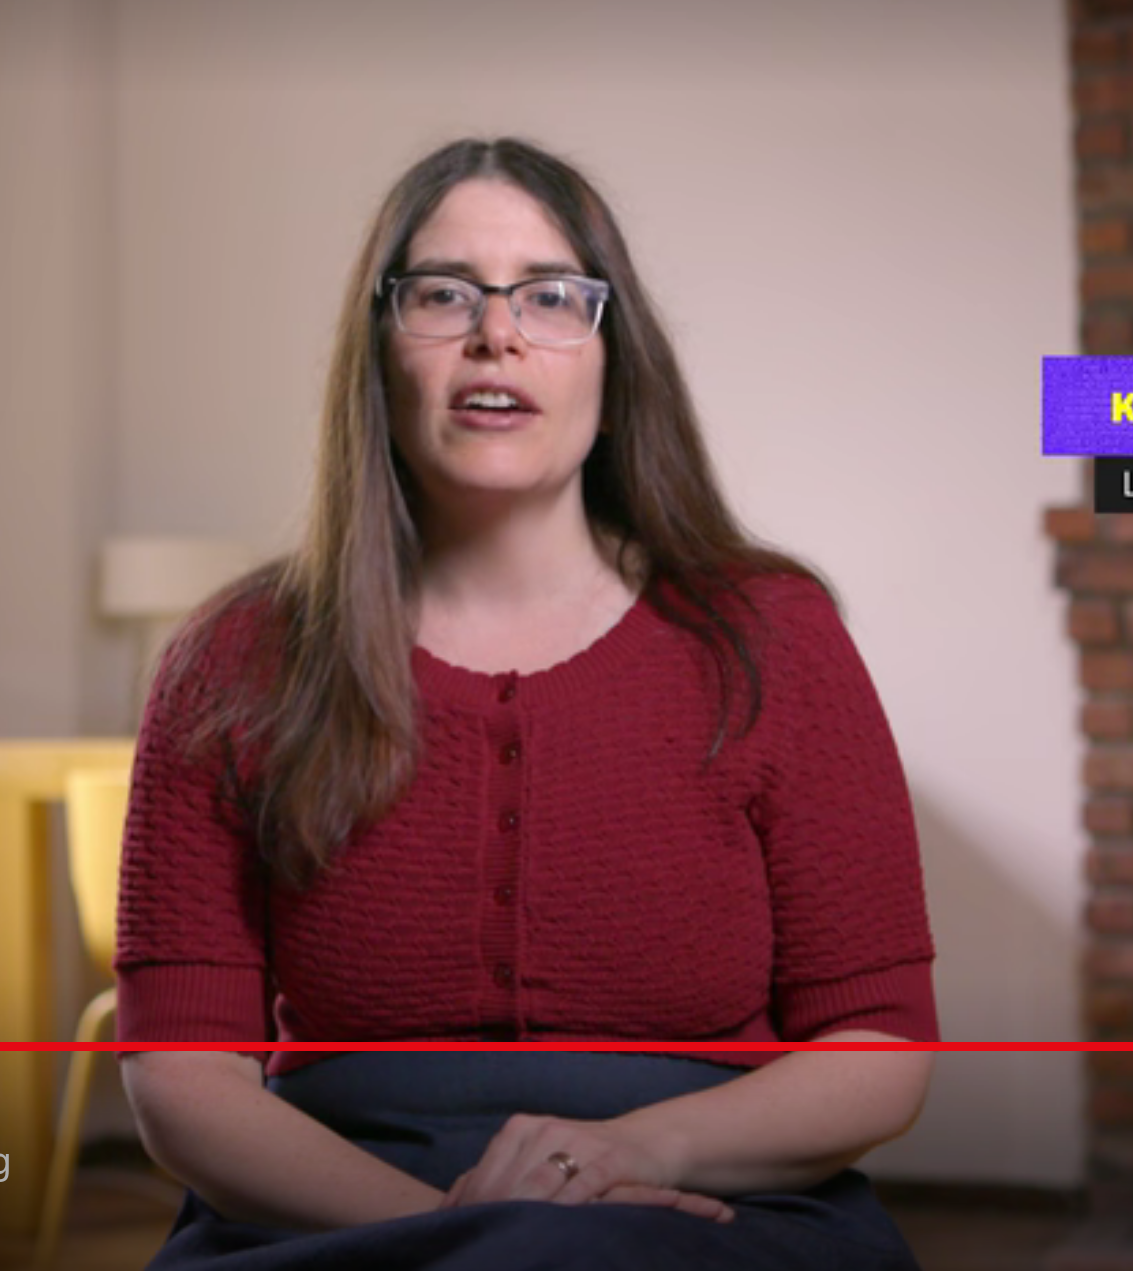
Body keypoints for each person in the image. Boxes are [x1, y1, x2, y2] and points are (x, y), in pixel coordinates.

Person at [114, 137, 939, 1269]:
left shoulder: (772, 638)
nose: (496, 333)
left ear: (614, 362)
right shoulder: (232, 661)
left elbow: (880, 1046)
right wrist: (454, 1233)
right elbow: (181, 1080)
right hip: (330, 1209)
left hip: (706, 1194)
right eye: (443, 294)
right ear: (378, 354)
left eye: (551, 296)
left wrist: (626, 1154)